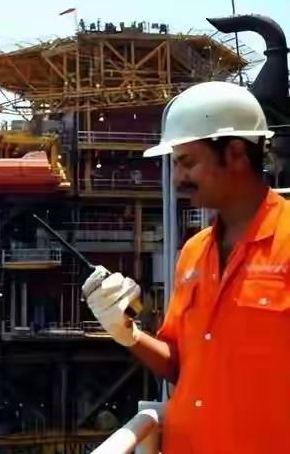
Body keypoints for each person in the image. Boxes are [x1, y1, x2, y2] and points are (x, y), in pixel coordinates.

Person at [81, 81, 289, 454]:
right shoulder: (194, 252)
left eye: (187, 162)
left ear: (235, 153)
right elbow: (180, 365)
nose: (177, 178)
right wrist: (126, 332)